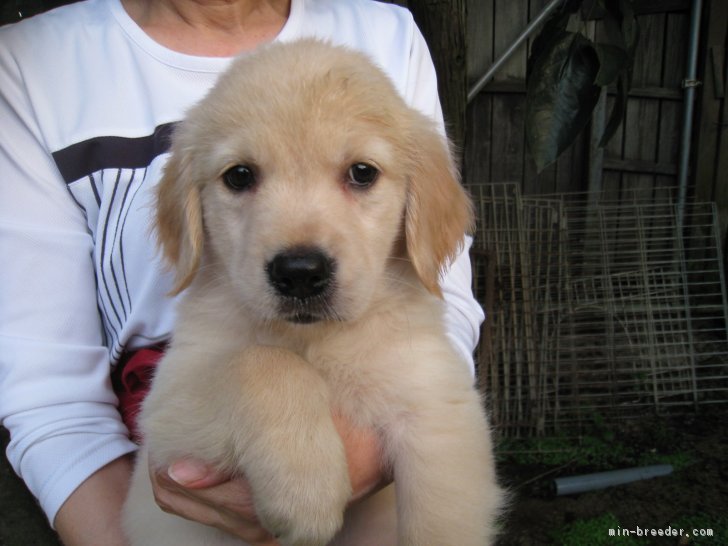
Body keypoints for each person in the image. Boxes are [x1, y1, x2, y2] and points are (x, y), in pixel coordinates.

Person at [0, 0, 485, 544]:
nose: (299, 254)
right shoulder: (26, 65)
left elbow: (444, 440)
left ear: (421, 198)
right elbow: (97, 411)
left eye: (361, 173)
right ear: (189, 208)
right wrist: (264, 388)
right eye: (240, 176)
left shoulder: (389, 31)